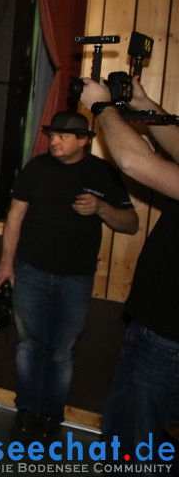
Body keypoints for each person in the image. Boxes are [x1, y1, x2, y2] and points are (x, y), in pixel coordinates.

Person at [0, 110, 137, 441]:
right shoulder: (37, 168)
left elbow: (131, 223)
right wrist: (6, 263)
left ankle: (50, 416)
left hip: (76, 279)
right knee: (29, 345)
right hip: (31, 272)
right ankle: (26, 412)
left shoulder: (102, 174)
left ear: (84, 141)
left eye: (62, 136)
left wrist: (101, 207)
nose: (53, 141)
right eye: (52, 135)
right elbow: (14, 217)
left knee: (61, 352)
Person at [79, 77, 179, 461]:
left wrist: (103, 108)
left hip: (168, 340)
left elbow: (134, 161)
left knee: (137, 449)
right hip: (158, 331)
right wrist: (146, 103)